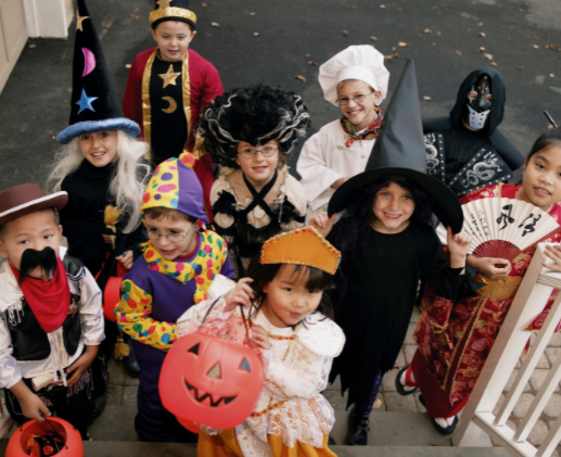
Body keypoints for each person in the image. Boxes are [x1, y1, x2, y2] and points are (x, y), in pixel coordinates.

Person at [311, 60, 473, 446]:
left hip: (385, 327)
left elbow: (448, 288)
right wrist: (320, 239)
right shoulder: (349, 229)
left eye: (404, 197)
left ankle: (362, 419)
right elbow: (314, 272)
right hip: (337, 318)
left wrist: (458, 257)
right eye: (385, 193)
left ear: (418, 203)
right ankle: (310, 413)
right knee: (320, 371)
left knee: (370, 377)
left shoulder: (420, 241)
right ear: (371, 195)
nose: (393, 205)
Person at [399, 127, 561, 434]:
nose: (546, 178)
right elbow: (445, 240)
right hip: (462, 299)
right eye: (540, 166)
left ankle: (440, 406)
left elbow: (557, 278)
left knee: (473, 370)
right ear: (526, 162)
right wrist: (473, 261)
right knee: (436, 346)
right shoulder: (488, 197)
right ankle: (414, 374)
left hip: (504, 317)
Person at [176, 226, 345, 456]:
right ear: (265, 283)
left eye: (312, 291)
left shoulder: (316, 335)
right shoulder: (240, 309)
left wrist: (268, 362)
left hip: (278, 428)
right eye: (288, 288)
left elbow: (307, 386)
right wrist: (222, 307)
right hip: (226, 409)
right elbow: (184, 335)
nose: (300, 302)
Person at [50, 0, 150, 377]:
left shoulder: (137, 174)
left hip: (131, 266)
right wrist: (101, 238)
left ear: (118, 136)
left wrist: (131, 249)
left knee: (136, 297)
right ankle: (104, 342)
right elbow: (67, 229)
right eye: (87, 138)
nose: (97, 146)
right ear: (78, 142)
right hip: (90, 265)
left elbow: (150, 222)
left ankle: (134, 341)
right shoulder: (71, 183)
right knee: (95, 302)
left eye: (104, 135)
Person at [114, 153, 235, 442]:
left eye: (174, 233)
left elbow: (226, 277)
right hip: (160, 355)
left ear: (197, 224)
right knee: (158, 395)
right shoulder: (142, 277)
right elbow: (130, 320)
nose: (162, 242)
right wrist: (179, 335)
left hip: (208, 347)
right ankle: (153, 435)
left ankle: (195, 432)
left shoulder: (216, 246)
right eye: (153, 231)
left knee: (200, 388)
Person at [0, 184, 107, 438]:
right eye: (24, 241)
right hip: (31, 382)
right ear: (1, 249)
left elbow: (91, 307)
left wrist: (91, 350)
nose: (38, 248)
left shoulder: (75, 272)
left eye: (47, 237)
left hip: (74, 365)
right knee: (42, 431)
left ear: (59, 234)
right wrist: (23, 395)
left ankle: (81, 434)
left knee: (79, 415)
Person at [122, 0, 223, 221]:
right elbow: (131, 108)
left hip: (191, 157)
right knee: (145, 207)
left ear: (192, 36)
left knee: (194, 209)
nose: (173, 44)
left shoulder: (205, 70)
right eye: (165, 36)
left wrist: (195, 156)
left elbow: (213, 120)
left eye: (181, 37)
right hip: (148, 153)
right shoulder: (141, 62)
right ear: (153, 34)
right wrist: (128, 146)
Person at [197, 85, 310, 277]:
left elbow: (292, 249)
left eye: (267, 149)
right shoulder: (224, 190)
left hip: (277, 273)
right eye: (248, 150)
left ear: (280, 151)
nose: (259, 158)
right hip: (237, 274)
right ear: (235, 156)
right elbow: (225, 246)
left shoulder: (292, 194)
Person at [296, 45, 390, 220]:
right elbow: (309, 164)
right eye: (344, 99)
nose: (352, 105)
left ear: (376, 96)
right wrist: (336, 181)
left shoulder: (391, 134)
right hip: (333, 211)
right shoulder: (328, 133)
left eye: (359, 96)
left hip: (378, 213)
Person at [423, 67, 524, 198]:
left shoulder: (501, 154)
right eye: (474, 96)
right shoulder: (429, 130)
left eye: (489, 100)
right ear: (464, 96)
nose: (480, 104)